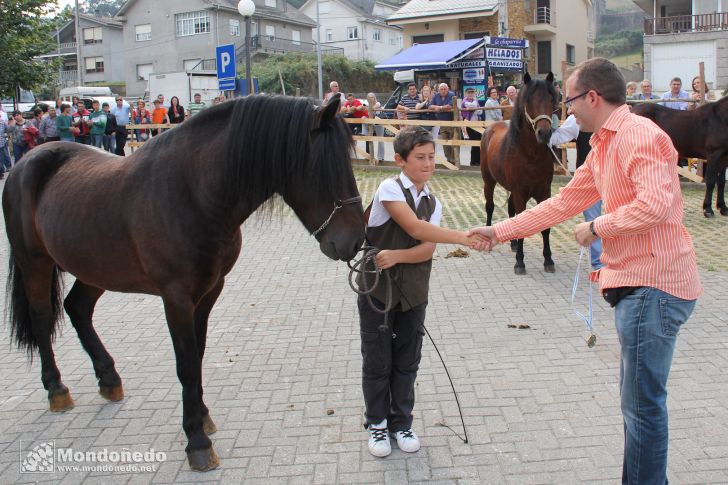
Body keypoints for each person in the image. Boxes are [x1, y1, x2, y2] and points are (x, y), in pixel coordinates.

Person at [469, 58, 701, 485]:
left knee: (643, 407)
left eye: (568, 102)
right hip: (636, 283)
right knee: (636, 405)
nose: (565, 112)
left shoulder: (639, 137)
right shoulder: (605, 144)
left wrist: (596, 227)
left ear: (592, 97)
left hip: (656, 285)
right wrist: (500, 232)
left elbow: (656, 205)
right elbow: (561, 203)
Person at [357, 126, 482, 458]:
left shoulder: (433, 202)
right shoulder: (389, 189)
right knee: (378, 359)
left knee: (407, 360)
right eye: (420, 158)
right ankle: (378, 424)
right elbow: (414, 228)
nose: (428, 164)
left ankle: (402, 422)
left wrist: (398, 256)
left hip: (414, 292)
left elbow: (427, 248)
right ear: (400, 160)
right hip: (377, 291)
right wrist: (462, 237)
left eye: (431, 157)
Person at [549, 113, 602, 269]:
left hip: (617, 177)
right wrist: (543, 130)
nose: (571, 108)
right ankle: (599, 264)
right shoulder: (576, 118)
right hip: (590, 179)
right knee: (593, 219)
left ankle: (615, 261)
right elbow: (560, 136)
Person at [431, 83, 459, 167]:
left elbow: (450, 106)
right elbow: (430, 106)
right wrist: (436, 107)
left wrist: (440, 108)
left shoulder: (452, 95)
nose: (443, 91)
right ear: (438, 90)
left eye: (445, 89)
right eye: (441, 89)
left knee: (453, 142)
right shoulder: (436, 96)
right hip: (442, 123)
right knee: (445, 143)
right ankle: (448, 160)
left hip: (452, 123)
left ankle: (454, 161)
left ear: (448, 89)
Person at [460, 87, 482, 167]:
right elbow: (471, 106)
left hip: (477, 123)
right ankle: (473, 162)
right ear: (466, 94)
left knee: (479, 143)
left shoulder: (475, 100)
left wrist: (475, 108)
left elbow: (480, 111)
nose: (470, 94)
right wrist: (475, 107)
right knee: (475, 143)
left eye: (472, 93)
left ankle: (478, 161)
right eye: (469, 93)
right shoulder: (464, 101)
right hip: (468, 124)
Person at [365, 92, 385, 161]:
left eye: (372, 97)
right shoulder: (367, 105)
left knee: (380, 140)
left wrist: (365, 108)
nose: (371, 98)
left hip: (378, 123)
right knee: (368, 138)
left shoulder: (378, 103)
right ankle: (369, 156)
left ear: (374, 98)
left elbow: (372, 108)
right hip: (371, 123)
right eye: (369, 97)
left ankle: (380, 157)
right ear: (367, 98)